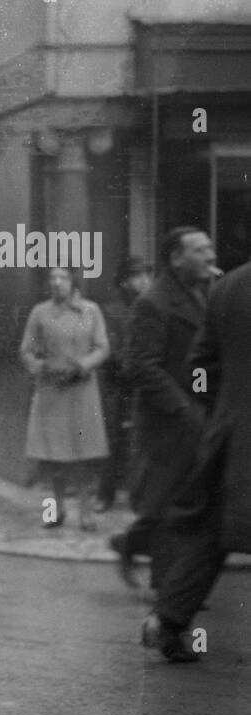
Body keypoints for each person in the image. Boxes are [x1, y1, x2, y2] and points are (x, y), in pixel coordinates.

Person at [142, 254, 251, 662]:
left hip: (230, 437)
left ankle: (166, 621)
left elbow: (199, 365)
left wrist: (223, 407)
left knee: (210, 535)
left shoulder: (228, 286)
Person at [109, 229, 216, 587]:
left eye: (210, 249)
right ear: (175, 258)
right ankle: (167, 595)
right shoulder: (153, 303)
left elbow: (199, 360)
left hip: (195, 419)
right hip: (166, 427)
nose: (211, 256)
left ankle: (134, 549)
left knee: (178, 504)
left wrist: (206, 395)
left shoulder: (201, 296)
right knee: (167, 506)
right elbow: (140, 365)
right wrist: (184, 407)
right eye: (200, 250)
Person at [19, 267, 110, 531]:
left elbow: (103, 347)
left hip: (81, 390)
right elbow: (25, 351)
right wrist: (39, 366)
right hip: (51, 391)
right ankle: (54, 511)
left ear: (74, 281)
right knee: (52, 456)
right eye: (52, 279)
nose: (57, 283)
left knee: (83, 455)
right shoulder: (40, 312)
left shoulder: (91, 311)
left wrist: (83, 365)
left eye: (63, 278)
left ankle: (86, 513)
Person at [96, 256, 152, 512]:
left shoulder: (150, 308)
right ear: (125, 281)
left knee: (142, 441)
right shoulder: (111, 310)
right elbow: (113, 351)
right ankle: (104, 495)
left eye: (147, 275)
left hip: (141, 384)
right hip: (117, 386)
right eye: (138, 276)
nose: (145, 281)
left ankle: (139, 496)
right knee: (113, 440)